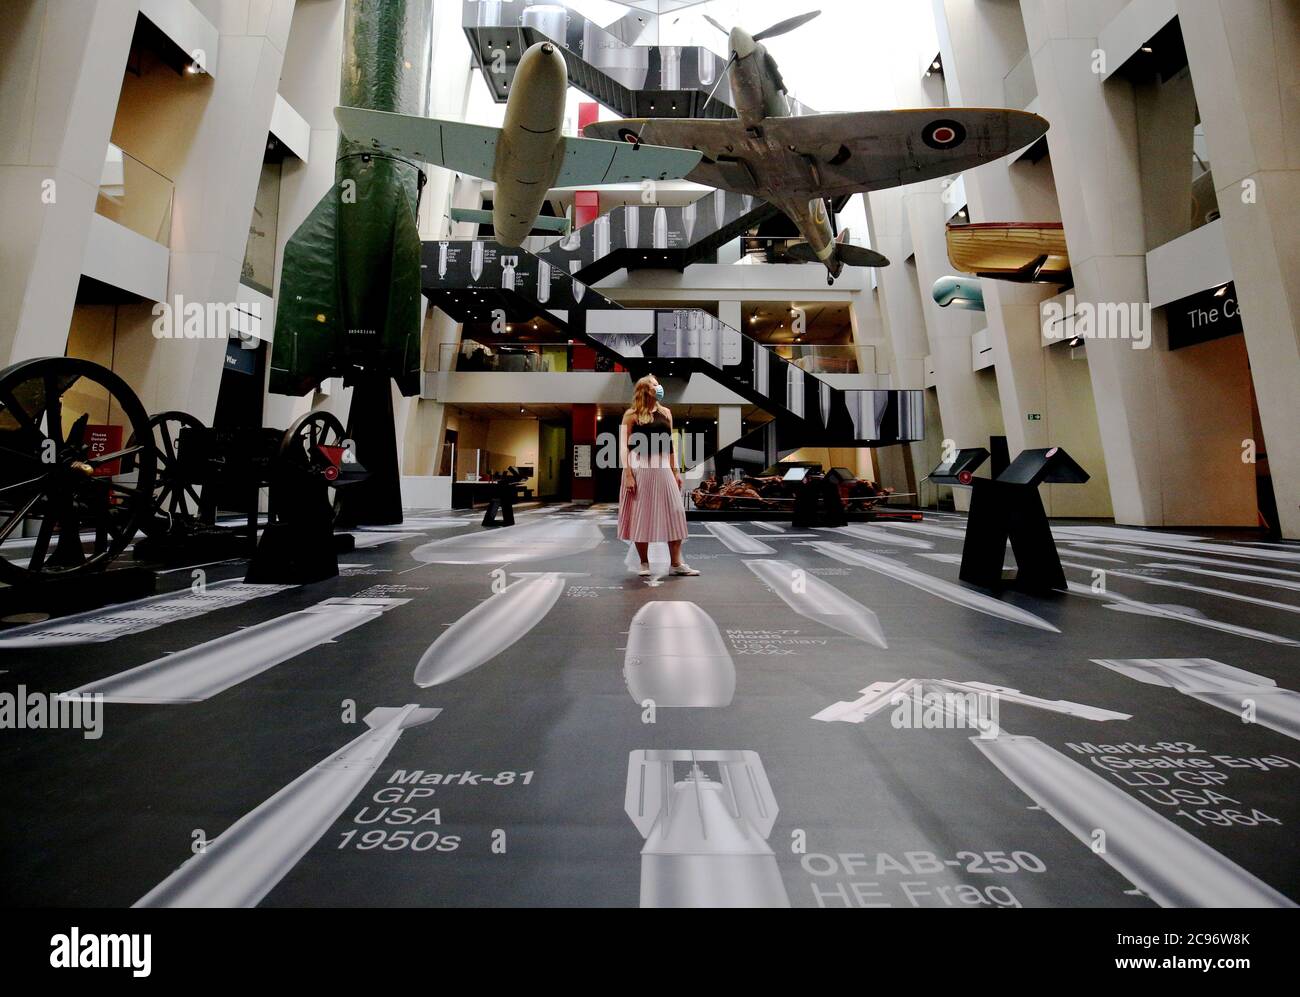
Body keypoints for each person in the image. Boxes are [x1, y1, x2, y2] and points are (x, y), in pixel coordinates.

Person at [618, 374, 699, 577]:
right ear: (645, 390)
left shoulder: (666, 413)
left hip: (663, 466)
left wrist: (676, 471)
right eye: (654, 384)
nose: (659, 387)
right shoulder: (631, 414)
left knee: (675, 512)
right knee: (641, 514)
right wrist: (628, 474)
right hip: (640, 466)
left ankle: (676, 564)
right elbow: (623, 447)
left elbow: (670, 445)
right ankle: (644, 562)